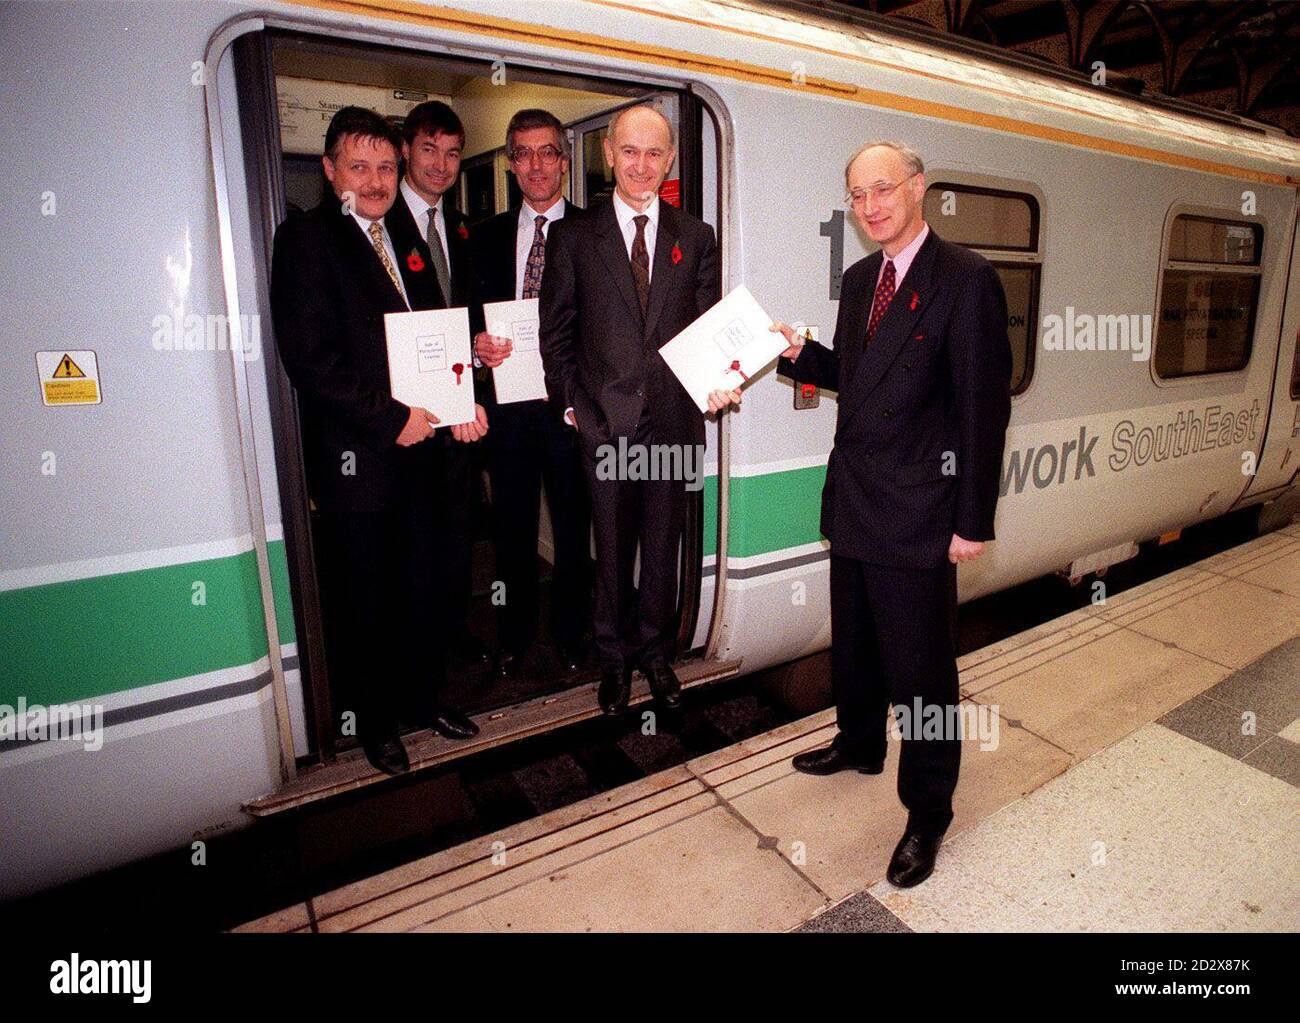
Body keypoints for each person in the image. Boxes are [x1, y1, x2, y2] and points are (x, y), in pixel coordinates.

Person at [751, 140, 1012, 886]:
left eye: (883, 189)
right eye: (858, 194)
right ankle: (859, 740)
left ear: (918, 188)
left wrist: (972, 520)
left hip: (922, 512)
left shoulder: (965, 279)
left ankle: (929, 809)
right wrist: (798, 352)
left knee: (923, 673)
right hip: (858, 498)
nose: (870, 206)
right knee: (858, 644)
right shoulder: (863, 278)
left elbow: (980, 412)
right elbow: (856, 377)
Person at [270, 106, 487, 777]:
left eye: (385, 167)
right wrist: (393, 417)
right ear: (329, 169)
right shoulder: (307, 240)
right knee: (366, 601)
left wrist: (461, 396)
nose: (374, 179)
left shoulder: (404, 237)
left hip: (422, 457)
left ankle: (424, 700)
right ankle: (375, 725)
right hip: (357, 464)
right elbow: (313, 361)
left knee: (421, 586)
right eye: (358, 166)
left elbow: (434, 337)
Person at [539, 104, 733, 715]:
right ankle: (614, 661)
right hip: (606, 428)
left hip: (674, 425)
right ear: (608, 155)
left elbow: (707, 331)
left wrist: (720, 381)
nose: (642, 165)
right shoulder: (573, 237)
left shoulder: (696, 237)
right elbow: (557, 334)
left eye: (655, 153)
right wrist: (575, 410)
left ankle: (656, 656)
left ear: (670, 159)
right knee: (613, 554)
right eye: (630, 152)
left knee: (663, 549)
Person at [471, 109, 592, 679]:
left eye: (548, 152)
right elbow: (465, 319)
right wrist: (476, 346)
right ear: (511, 163)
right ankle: (515, 636)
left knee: (574, 529)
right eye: (523, 154)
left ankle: (573, 635)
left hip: (569, 411)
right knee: (511, 531)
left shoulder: (596, 233)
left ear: (565, 162)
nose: (536, 165)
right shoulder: (484, 235)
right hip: (509, 411)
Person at [388, 99, 493, 671]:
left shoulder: (460, 227)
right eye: (429, 149)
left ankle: (454, 633)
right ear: (406, 150)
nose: (441, 164)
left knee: (457, 534)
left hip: (460, 413)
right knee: (415, 545)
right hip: (408, 420)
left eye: (452, 153)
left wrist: (481, 352)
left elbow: (465, 319)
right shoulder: (383, 221)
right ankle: (419, 658)